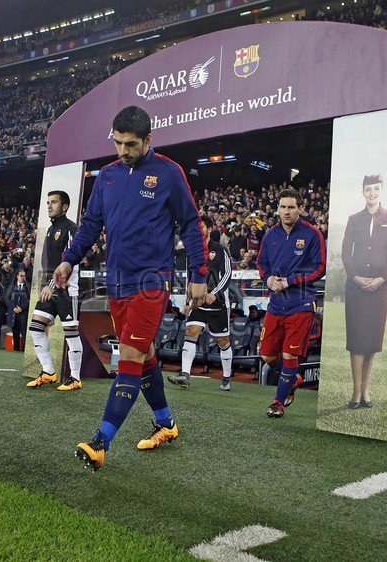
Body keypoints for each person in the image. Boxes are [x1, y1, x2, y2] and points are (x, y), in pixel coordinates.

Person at [54, 105, 208, 471]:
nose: (123, 150)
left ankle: (100, 442)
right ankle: (166, 423)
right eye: (118, 143)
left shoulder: (168, 173)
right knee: (145, 354)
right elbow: (91, 224)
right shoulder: (107, 175)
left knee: (129, 357)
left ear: (148, 139)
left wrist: (199, 273)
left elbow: (190, 223)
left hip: (152, 281)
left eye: (131, 144)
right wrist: (69, 259)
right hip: (117, 282)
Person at [257, 188, 326, 417]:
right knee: (267, 355)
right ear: (277, 209)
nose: (286, 211)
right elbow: (262, 264)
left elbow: (320, 267)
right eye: (283, 207)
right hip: (276, 304)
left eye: (291, 207)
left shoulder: (313, 234)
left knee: (289, 355)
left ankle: (277, 402)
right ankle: (293, 378)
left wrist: (291, 281)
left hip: (301, 304)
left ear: (301, 209)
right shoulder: (270, 236)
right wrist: (268, 279)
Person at [339, 174, 387, 409]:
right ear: (363, 191)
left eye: (376, 188)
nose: (372, 193)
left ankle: (365, 390)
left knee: (372, 340)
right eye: (368, 189)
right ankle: (356, 391)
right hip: (356, 286)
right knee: (357, 339)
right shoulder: (354, 219)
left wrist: (382, 278)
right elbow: (346, 252)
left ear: (381, 190)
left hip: (380, 288)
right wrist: (355, 277)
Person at [169, 215, 235, 391]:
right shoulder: (193, 251)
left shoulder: (220, 250)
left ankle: (226, 378)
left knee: (223, 341)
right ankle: (185, 375)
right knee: (191, 332)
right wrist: (188, 301)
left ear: (210, 229)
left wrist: (215, 293)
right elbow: (190, 278)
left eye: (202, 226)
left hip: (218, 304)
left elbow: (227, 274)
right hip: (198, 303)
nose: (199, 229)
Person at [26, 190, 83, 391]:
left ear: (65, 207)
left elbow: (70, 261)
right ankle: (49, 372)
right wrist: (46, 284)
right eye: (48, 202)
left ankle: (75, 378)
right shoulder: (51, 229)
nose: (49, 205)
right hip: (50, 288)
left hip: (67, 290)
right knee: (36, 327)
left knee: (71, 333)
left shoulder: (71, 229)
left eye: (54, 202)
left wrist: (51, 285)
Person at [5, 269, 29, 351]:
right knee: (15, 333)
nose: (23, 277)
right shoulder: (11, 287)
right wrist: (14, 308)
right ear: (17, 276)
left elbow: (29, 300)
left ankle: (24, 350)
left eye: (24, 276)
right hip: (13, 314)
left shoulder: (28, 287)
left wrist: (22, 308)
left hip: (23, 314)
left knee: (24, 333)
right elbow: (7, 299)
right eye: (21, 276)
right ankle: (16, 350)